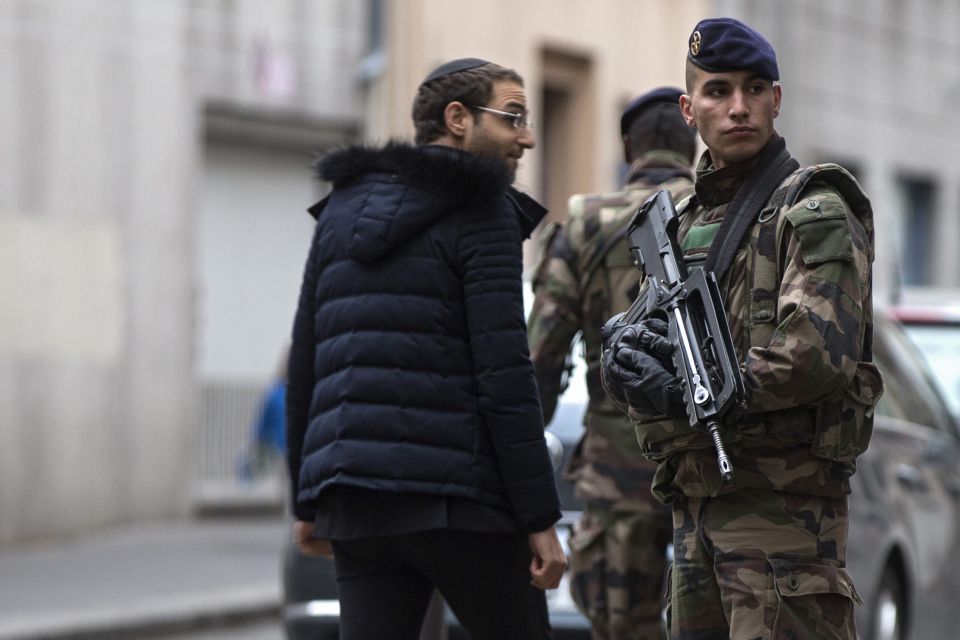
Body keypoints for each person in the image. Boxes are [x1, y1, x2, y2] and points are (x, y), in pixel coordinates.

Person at [600, 18, 883, 640]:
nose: (737, 108)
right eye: (717, 91)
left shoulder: (812, 208)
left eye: (754, 89)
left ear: (776, 100)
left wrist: (702, 392)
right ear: (688, 108)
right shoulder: (681, 222)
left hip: (782, 524)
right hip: (695, 514)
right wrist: (625, 357)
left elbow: (816, 355)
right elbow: (658, 337)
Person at [285, 57, 566, 640]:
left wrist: (305, 500)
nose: (528, 138)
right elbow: (505, 374)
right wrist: (540, 519)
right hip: (459, 503)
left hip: (355, 501)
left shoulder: (338, 210)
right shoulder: (481, 207)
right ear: (458, 118)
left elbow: (306, 361)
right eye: (513, 117)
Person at [527, 86, 697, 640]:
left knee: (624, 627)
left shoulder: (586, 223)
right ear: (692, 140)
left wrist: (523, 474)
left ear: (629, 149)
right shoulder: (716, 212)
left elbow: (542, 355)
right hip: (709, 460)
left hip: (616, 466)